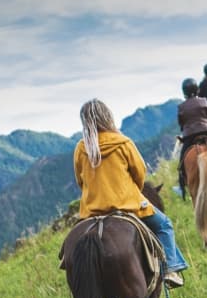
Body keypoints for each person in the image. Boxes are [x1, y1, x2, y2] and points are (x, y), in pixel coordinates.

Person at [74, 98, 187, 288]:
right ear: (107, 116)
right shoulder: (123, 142)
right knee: (164, 225)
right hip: (128, 206)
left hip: (92, 211)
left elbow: (80, 180)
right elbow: (140, 173)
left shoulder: (81, 148)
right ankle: (171, 269)